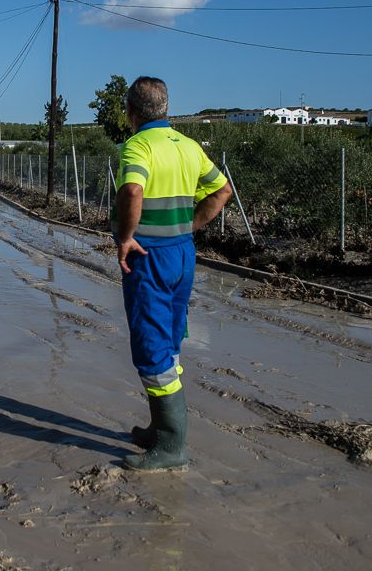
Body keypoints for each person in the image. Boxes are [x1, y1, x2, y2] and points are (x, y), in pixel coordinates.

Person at [113, 76, 231, 471]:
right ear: (166, 109)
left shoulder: (139, 146)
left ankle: (171, 445)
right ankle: (159, 428)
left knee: (150, 346)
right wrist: (190, 226)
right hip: (182, 254)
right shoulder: (189, 146)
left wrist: (126, 237)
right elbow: (222, 191)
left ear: (131, 113)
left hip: (150, 256)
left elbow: (132, 191)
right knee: (169, 338)